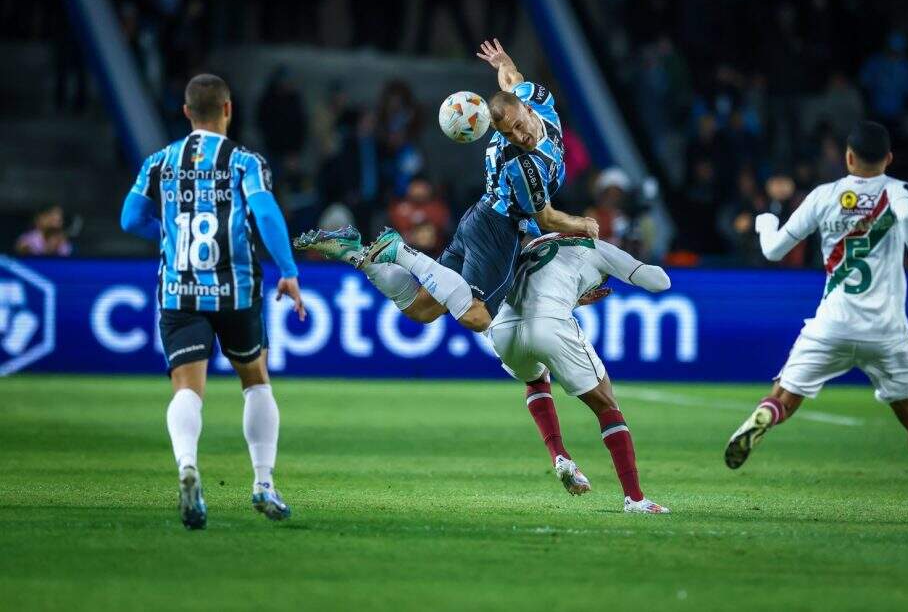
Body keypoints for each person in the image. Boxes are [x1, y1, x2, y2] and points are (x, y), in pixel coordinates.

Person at [723, 121, 908, 529]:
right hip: (886, 331)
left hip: (831, 325)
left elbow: (773, 251)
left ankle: (763, 417)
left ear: (847, 157)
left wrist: (763, 224)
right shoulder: (899, 191)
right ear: (889, 159)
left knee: (785, 398)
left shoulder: (823, 196)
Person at [294, 38, 598, 333]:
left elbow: (512, 80)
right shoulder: (523, 165)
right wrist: (582, 223)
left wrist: (502, 62)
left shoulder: (536, 96)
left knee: (422, 309)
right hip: (499, 227)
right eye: (509, 134)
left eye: (519, 126)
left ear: (528, 108)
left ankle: (353, 253)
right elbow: (547, 219)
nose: (519, 137)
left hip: (480, 219)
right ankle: (400, 251)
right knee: (478, 317)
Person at [120, 74, 305, 530]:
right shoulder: (245, 161)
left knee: (187, 388)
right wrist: (289, 271)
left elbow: (129, 218)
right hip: (236, 289)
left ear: (186, 113)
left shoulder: (160, 161)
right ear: (228, 109)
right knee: (256, 380)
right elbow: (264, 212)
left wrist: (167, 233)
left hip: (179, 289)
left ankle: (188, 466)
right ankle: (263, 482)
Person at [488, 233, 671, 513]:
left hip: (502, 327)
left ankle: (560, 456)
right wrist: (626, 265)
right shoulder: (600, 247)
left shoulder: (536, 243)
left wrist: (573, 298)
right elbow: (660, 282)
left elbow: (536, 286)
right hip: (550, 325)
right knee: (606, 404)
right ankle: (634, 499)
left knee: (536, 378)